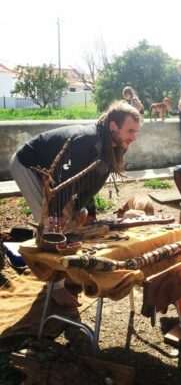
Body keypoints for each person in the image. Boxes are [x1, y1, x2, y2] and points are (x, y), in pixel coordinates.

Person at [9, 101, 141, 306]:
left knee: (73, 223)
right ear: (113, 126)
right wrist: (56, 215)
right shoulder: (86, 141)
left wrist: (86, 208)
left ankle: (66, 271)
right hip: (29, 165)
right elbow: (63, 184)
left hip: (58, 176)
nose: (134, 137)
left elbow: (93, 180)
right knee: (51, 228)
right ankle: (56, 287)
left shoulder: (115, 145)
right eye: (130, 130)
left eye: (136, 131)